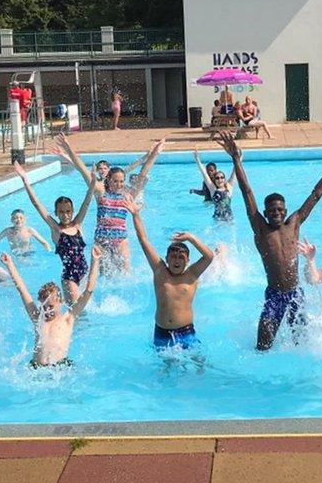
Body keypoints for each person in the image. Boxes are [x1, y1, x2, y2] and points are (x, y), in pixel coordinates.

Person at [217, 131, 322, 350]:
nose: (277, 213)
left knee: (302, 344)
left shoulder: (294, 224)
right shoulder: (260, 228)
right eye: (272, 210)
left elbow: (316, 195)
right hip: (274, 295)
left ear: (286, 210)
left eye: (280, 209)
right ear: (265, 213)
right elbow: (247, 192)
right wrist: (235, 159)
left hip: (295, 293)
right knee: (262, 346)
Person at [124, 196, 215, 352]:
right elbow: (144, 240)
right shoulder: (160, 271)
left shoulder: (192, 274)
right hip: (162, 333)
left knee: (198, 365)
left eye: (181, 258)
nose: (177, 261)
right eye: (173, 257)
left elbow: (209, 256)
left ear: (187, 261)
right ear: (166, 259)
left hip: (186, 332)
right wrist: (136, 215)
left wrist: (191, 238)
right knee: (165, 370)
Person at [15, 135, 97, 304]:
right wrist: (25, 180)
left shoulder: (78, 224)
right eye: (61, 212)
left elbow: (87, 201)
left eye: (68, 211)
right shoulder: (56, 229)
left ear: (72, 211)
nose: (65, 215)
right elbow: (37, 205)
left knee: (86, 311)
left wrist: (93, 182)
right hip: (69, 278)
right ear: (57, 213)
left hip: (84, 272)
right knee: (76, 312)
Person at [2, 248, 100, 368]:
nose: (47, 310)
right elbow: (22, 290)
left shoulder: (68, 318)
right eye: (44, 307)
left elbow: (88, 291)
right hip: (36, 368)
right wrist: (10, 265)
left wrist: (95, 261)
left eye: (51, 306)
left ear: (61, 302)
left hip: (60, 367)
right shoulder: (38, 318)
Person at [95, 140, 163, 274]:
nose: (119, 184)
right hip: (102, 240)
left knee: (125, 275)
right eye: (116, 181)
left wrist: (155, 154)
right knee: (104, 276)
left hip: (120, 240)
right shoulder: (101, 193)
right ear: (109, 179)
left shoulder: (128, 195)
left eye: (121, 181)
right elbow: (84, 174)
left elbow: (142, 174)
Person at [194, 149, 234, 222]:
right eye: (217, 178)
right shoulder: (213, 190)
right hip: (217, 219)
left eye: (222, 177)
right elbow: (204, 173)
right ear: (215, 180)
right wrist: (197, 160)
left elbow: (235, 172)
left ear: (224, 179)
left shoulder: (229, 188)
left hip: (229, 219)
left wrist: (238, 159)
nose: (220, 179)